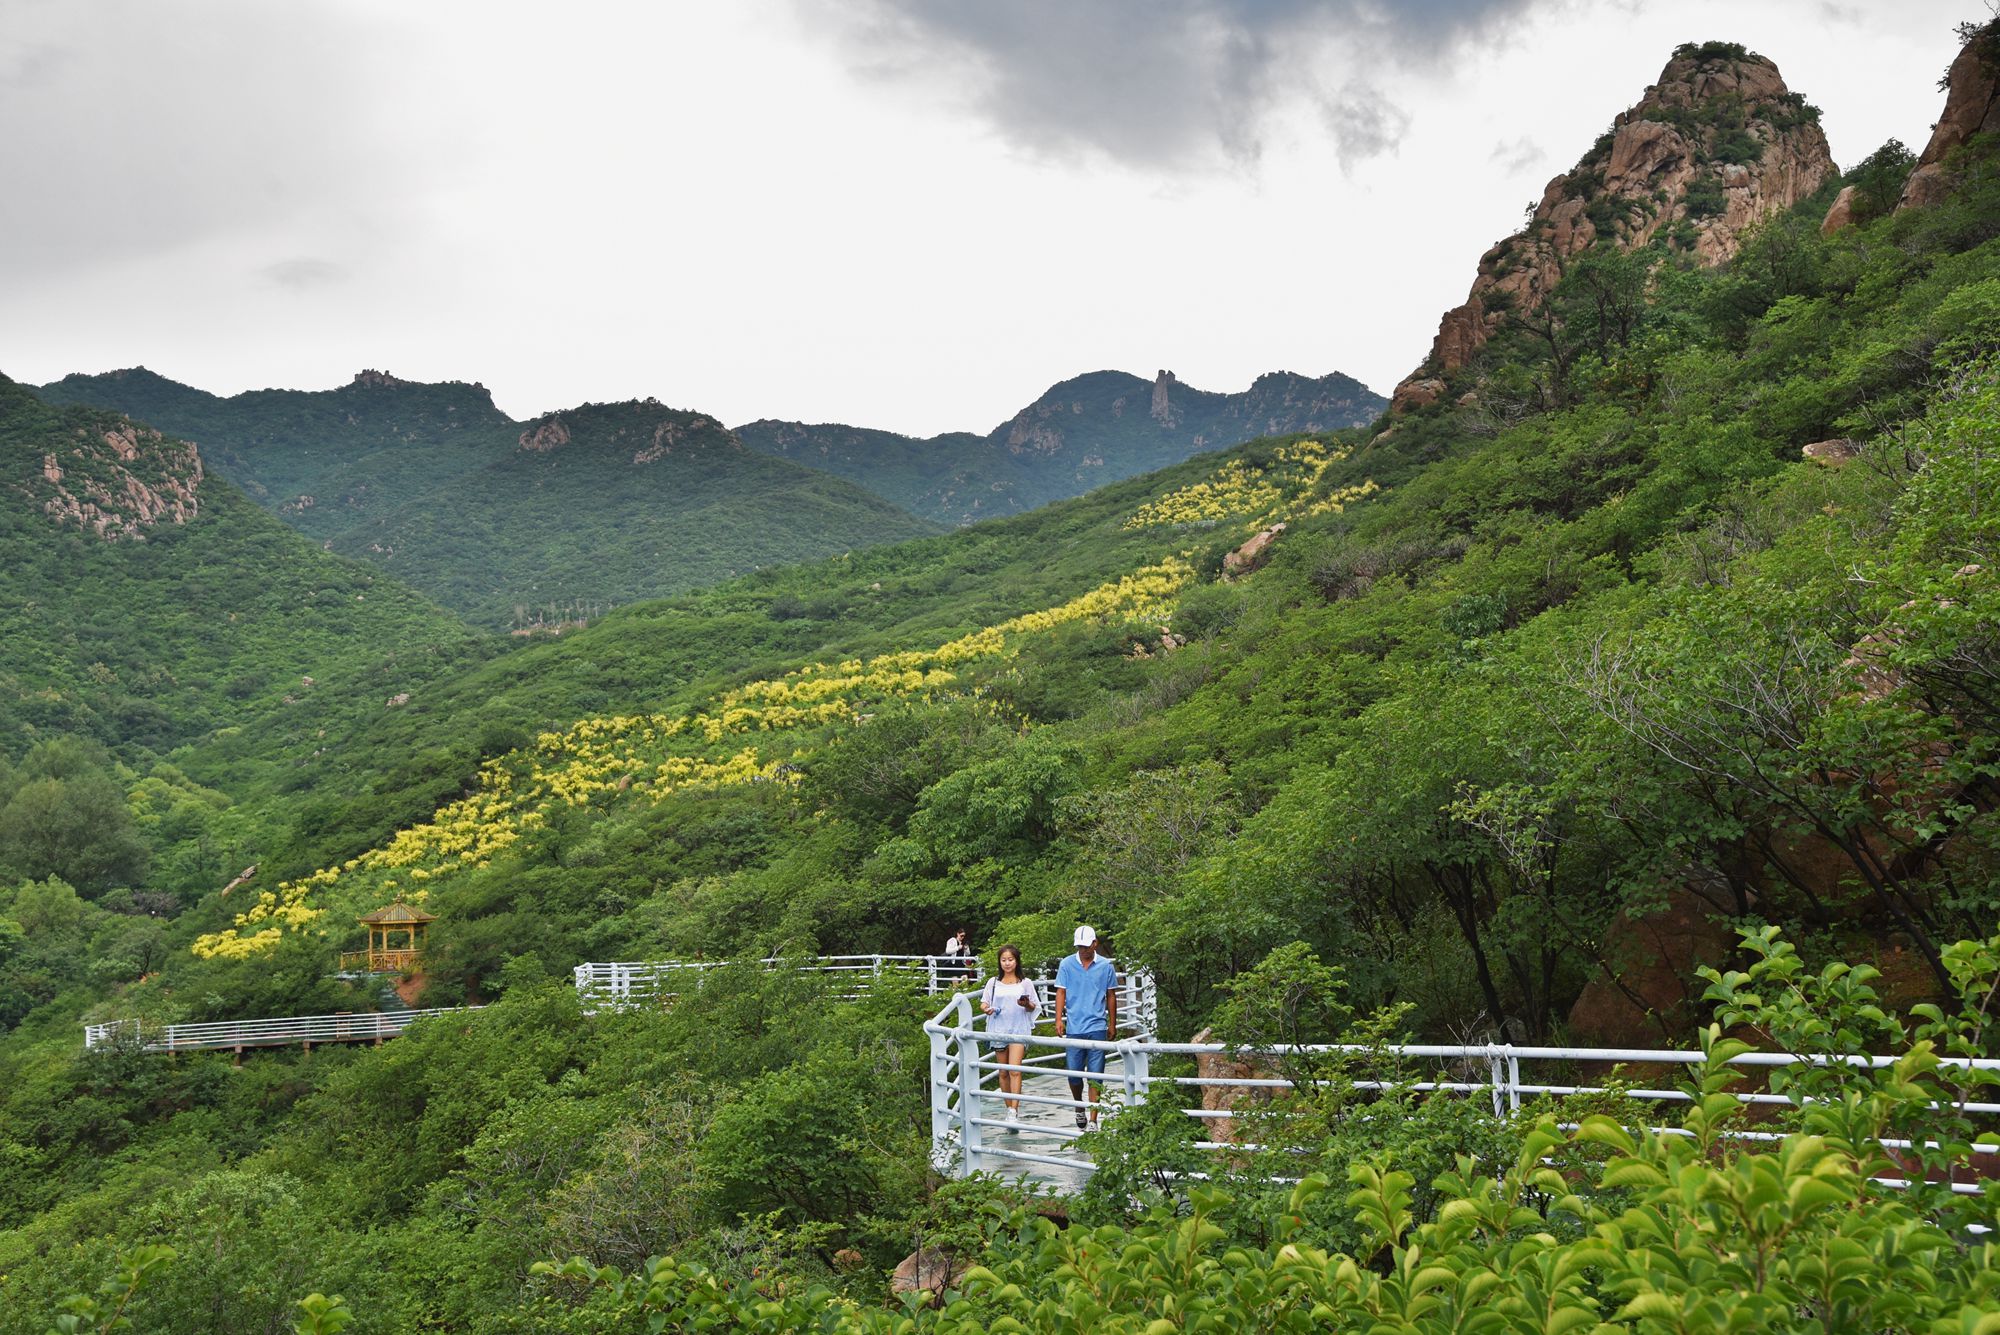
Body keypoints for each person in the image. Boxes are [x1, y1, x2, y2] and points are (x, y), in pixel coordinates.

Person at [1053, 924, 1118, 1131]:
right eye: (1079, 947)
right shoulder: (1066, 964)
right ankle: (1079, 1107)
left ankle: (1093, 1119)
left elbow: (1111, 995)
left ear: (1094, 944)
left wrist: (1112, 1023)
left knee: (1096, 1075)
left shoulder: (1106, 966)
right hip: (1074, 1025)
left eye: (1086, 946)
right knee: (1073, 1074)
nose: (1082, 950)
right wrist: (1058, 1019)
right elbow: (1061, 992)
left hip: (1097, 1024)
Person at [979, 944, 1041, 1126]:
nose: (1007, 963)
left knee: (1015, 1070)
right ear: (999, 962)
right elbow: (983, 1003)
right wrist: (987, 1009)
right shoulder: (993, 983)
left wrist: (1026, 1004)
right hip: (998, 1029)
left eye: (1011, 959)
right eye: (1004, 960)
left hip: (1019, 1030)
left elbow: (1034, 1006)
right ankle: (1008, 1108)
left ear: (1017, 961)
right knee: (1003, 1071)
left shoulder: (1025, 983)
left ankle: (1014, 1109)